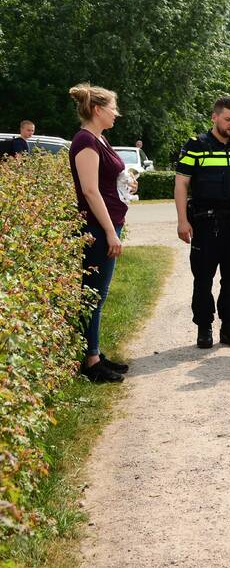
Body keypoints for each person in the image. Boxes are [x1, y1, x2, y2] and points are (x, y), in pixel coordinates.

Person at [174, 96, 230, 349]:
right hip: (205, 223)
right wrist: (182, 221)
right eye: (227, 119)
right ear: (214, 117)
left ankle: (228, 326)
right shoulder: (196, 146)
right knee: (203, 278)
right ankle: (204, 328)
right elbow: (181, 184)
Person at [68, 84, 130, 383]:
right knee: (93, 294)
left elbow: (107, 179)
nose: (116, 114)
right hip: (97, 227)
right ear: (97, 110)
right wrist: (110, 232)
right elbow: (90, 191)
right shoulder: (85, 142)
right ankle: (91, 362)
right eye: (112, 108)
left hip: (108, 223)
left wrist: (126, 183)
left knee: (98, 294)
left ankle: (94, 351)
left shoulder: (99, 140)